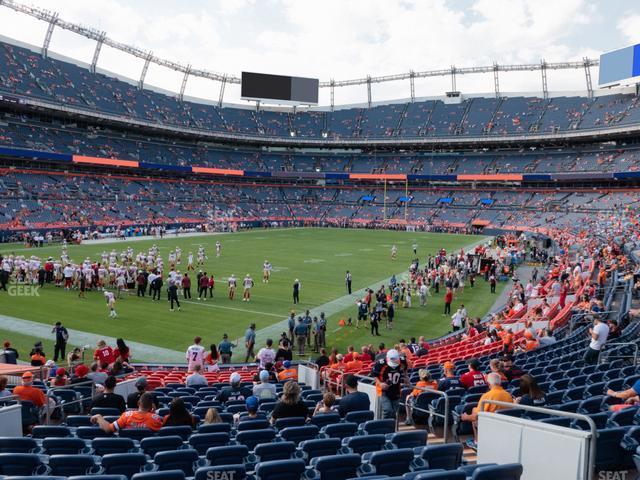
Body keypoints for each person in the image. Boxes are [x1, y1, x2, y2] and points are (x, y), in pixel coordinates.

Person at [461, 372, 513, 449]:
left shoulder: (487, 396)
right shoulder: (508, 395)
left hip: (491, 424)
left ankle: (477, 442)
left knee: (474, 412)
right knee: (474, 409)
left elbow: (475, 417)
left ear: (488, 383)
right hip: (505, 424)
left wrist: (465, 417)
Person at [92, 392, 162, 433]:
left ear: (138, 403)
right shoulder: (156, 419)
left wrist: (99, 417)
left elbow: (108, 429)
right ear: (152, 405)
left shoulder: (126, 416)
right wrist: (153, 412)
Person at [372, 349, 406, 419]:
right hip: (383, 390)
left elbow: (405, 370)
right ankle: (384, 427)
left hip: (396, 389)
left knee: (394, 413)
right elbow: (374, 375)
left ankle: (391, 428)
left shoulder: (403, 361)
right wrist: (380, 384)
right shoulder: (380, 364)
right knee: (387, 410)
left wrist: (406, 379)